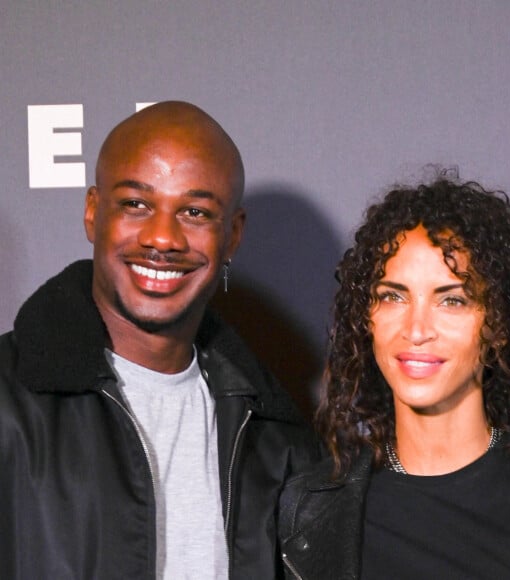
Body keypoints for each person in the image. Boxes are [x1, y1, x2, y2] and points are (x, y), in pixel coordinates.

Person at [0, 101, 318, 579]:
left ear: (231, 236)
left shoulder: (276, 442)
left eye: (194, 211)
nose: (163, 237)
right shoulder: (8, 402)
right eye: (136, 204)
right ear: (92, 212)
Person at [278, 177, 510, 579]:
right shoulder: (310, 507)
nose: (416, 329)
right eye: (393, 296)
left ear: (500, 326)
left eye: (452, 300)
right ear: (367, 317)